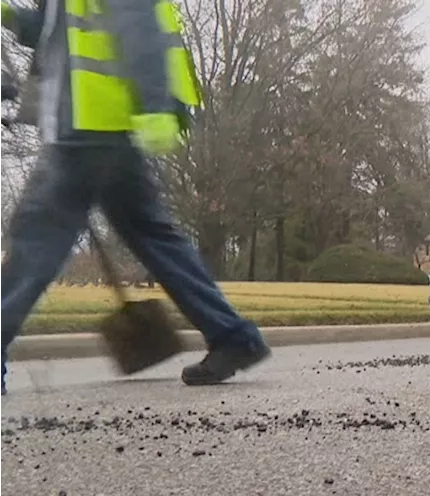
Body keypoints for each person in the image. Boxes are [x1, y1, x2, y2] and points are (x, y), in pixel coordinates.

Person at [0, 0, 270, 396]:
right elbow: (57, 32)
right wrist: (12, 17)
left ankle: (232, 334)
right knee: (154, 235)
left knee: (37, 238)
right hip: (97, 125)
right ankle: (232, 335)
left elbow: (138, 23)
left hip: (91, 126)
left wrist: (154, 105)